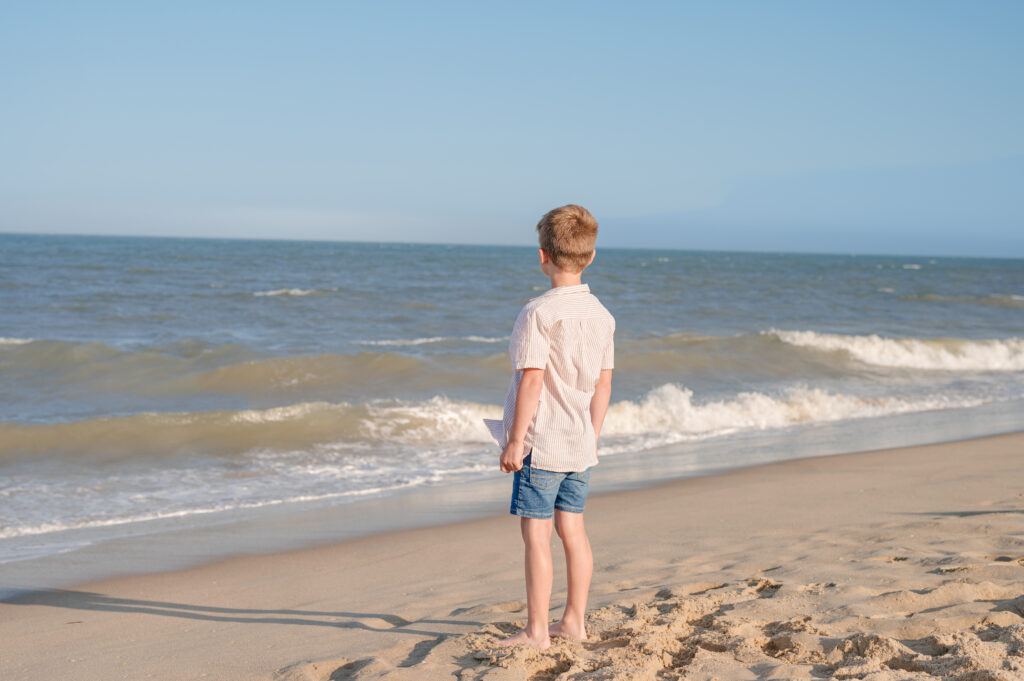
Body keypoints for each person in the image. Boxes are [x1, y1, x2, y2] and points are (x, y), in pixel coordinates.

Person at [492, 204, 615, 649]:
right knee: (574, 532)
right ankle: (575, 622)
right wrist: (592, 437)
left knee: (536, 537)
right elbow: (603, 384)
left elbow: (532, 378)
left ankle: (537, 631)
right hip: (580, 444)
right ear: (592, 255)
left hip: (542, 446)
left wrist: (514, 441)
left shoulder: (537, 312)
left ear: (542, 256)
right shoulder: (603, 315)